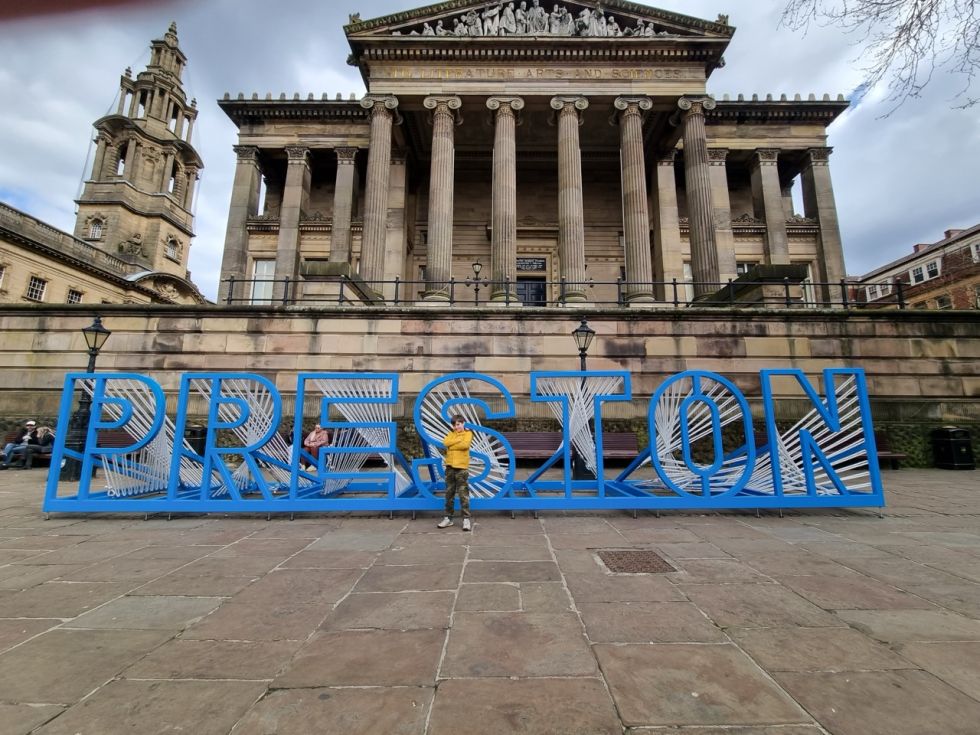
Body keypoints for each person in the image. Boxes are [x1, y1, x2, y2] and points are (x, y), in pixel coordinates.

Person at [437, 415, 473, 531]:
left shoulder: (468, 433)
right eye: (454, 425)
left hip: (461, 468)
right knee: (449, 494)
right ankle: (448, 518)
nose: (456, 427)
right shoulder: (451, 434)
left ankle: (466, 520)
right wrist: (457, 440)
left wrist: (452, 445)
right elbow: (445, 443)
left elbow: (465, 445)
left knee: (463, 494)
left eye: (458, 424)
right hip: (450, 467)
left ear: (463, 423)